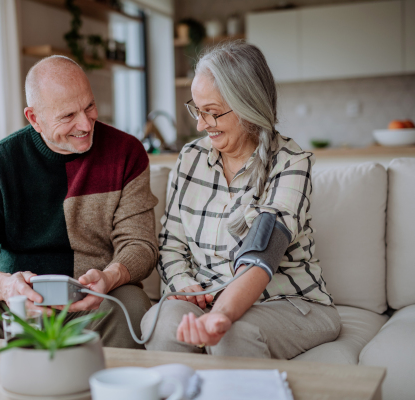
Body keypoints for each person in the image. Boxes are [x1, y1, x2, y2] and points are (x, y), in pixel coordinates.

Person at [0, 55, 158, 349]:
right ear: (34, 118)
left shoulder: (126, 153)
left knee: (133, 303)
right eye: (68, 116)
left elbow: (140, 245)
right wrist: (5, 286)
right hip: (16, 308)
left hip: (93, 304)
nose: (85, 123)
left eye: (89, 106)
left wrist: (110, 277)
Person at [141, 41, 341, 359]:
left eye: (213, 113)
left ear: (248, 105)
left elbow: (262, 253)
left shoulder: (290, 162)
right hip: (205, 296)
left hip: (288, 302)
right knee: (161, 325)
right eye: (197, 109)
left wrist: (221, 313)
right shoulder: (190, 158)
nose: (200, 124)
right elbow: (171, 243)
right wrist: (183, 283)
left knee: (231, 337)